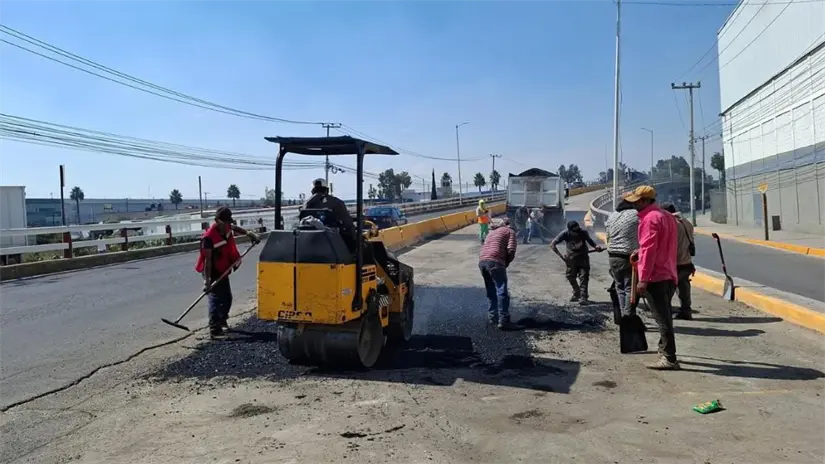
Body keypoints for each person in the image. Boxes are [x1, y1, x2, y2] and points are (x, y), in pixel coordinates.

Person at [623, 185, 680, 370]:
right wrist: (639, 252)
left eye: (637, 201)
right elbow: (661, 245)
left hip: (655, 277)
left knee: (662, 319)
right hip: (669, 274)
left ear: (646, 201)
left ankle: (669, 358)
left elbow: (649, 250)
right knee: (665, 316)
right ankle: (664, 350)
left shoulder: (649, 219)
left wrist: (643, 278)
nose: (634, 205)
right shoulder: (668, 217)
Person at [195, 206, 260, 338]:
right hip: (212, 271)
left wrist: (249, 233)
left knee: (227, 298)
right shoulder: (208, 238)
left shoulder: (228, 227)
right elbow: (208, 262)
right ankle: (215, 329)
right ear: (217, 221)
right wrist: (207, 282)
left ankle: (222, 320)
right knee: (215, 298)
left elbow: (235, 228)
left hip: (222, 268)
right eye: (225, 222)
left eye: (229, 222)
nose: (228, 225)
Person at [478, 217, 518, 330]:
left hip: (482, 262)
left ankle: (493, 317)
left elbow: (485, 247)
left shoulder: (492, 233)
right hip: (495, 262)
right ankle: (504, 321)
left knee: (491, 290)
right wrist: (506, 263)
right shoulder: (510, 232)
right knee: (502, 290)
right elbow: (511, 250)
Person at [550, 220, 603, 304]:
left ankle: (583, 297)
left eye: (578, 230)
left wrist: (596, 246)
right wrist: (562, 257)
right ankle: (577, 292)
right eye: (575, 231)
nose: (577, 232)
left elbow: (590, 241)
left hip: (583, 258)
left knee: (584, 277)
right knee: (570, 276)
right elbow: (552, 245)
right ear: (570, 230)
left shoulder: (583, 232)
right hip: (571, 260)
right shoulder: (565, 234)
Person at [605, 199, 639, 316]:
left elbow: (608, 236)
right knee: (629, 288)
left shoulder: (612, 216)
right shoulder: (636, 214)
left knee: (619, 287)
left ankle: (624, 313)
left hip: (612, 256)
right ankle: (628, 315)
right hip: (628, 257)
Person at [662, 202, 695, 320]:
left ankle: (665, 313)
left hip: (674, 262)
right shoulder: (687, 223)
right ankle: (686, 311)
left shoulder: (671, 224)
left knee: (667, 289)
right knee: (684, 287)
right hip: (686, 261)